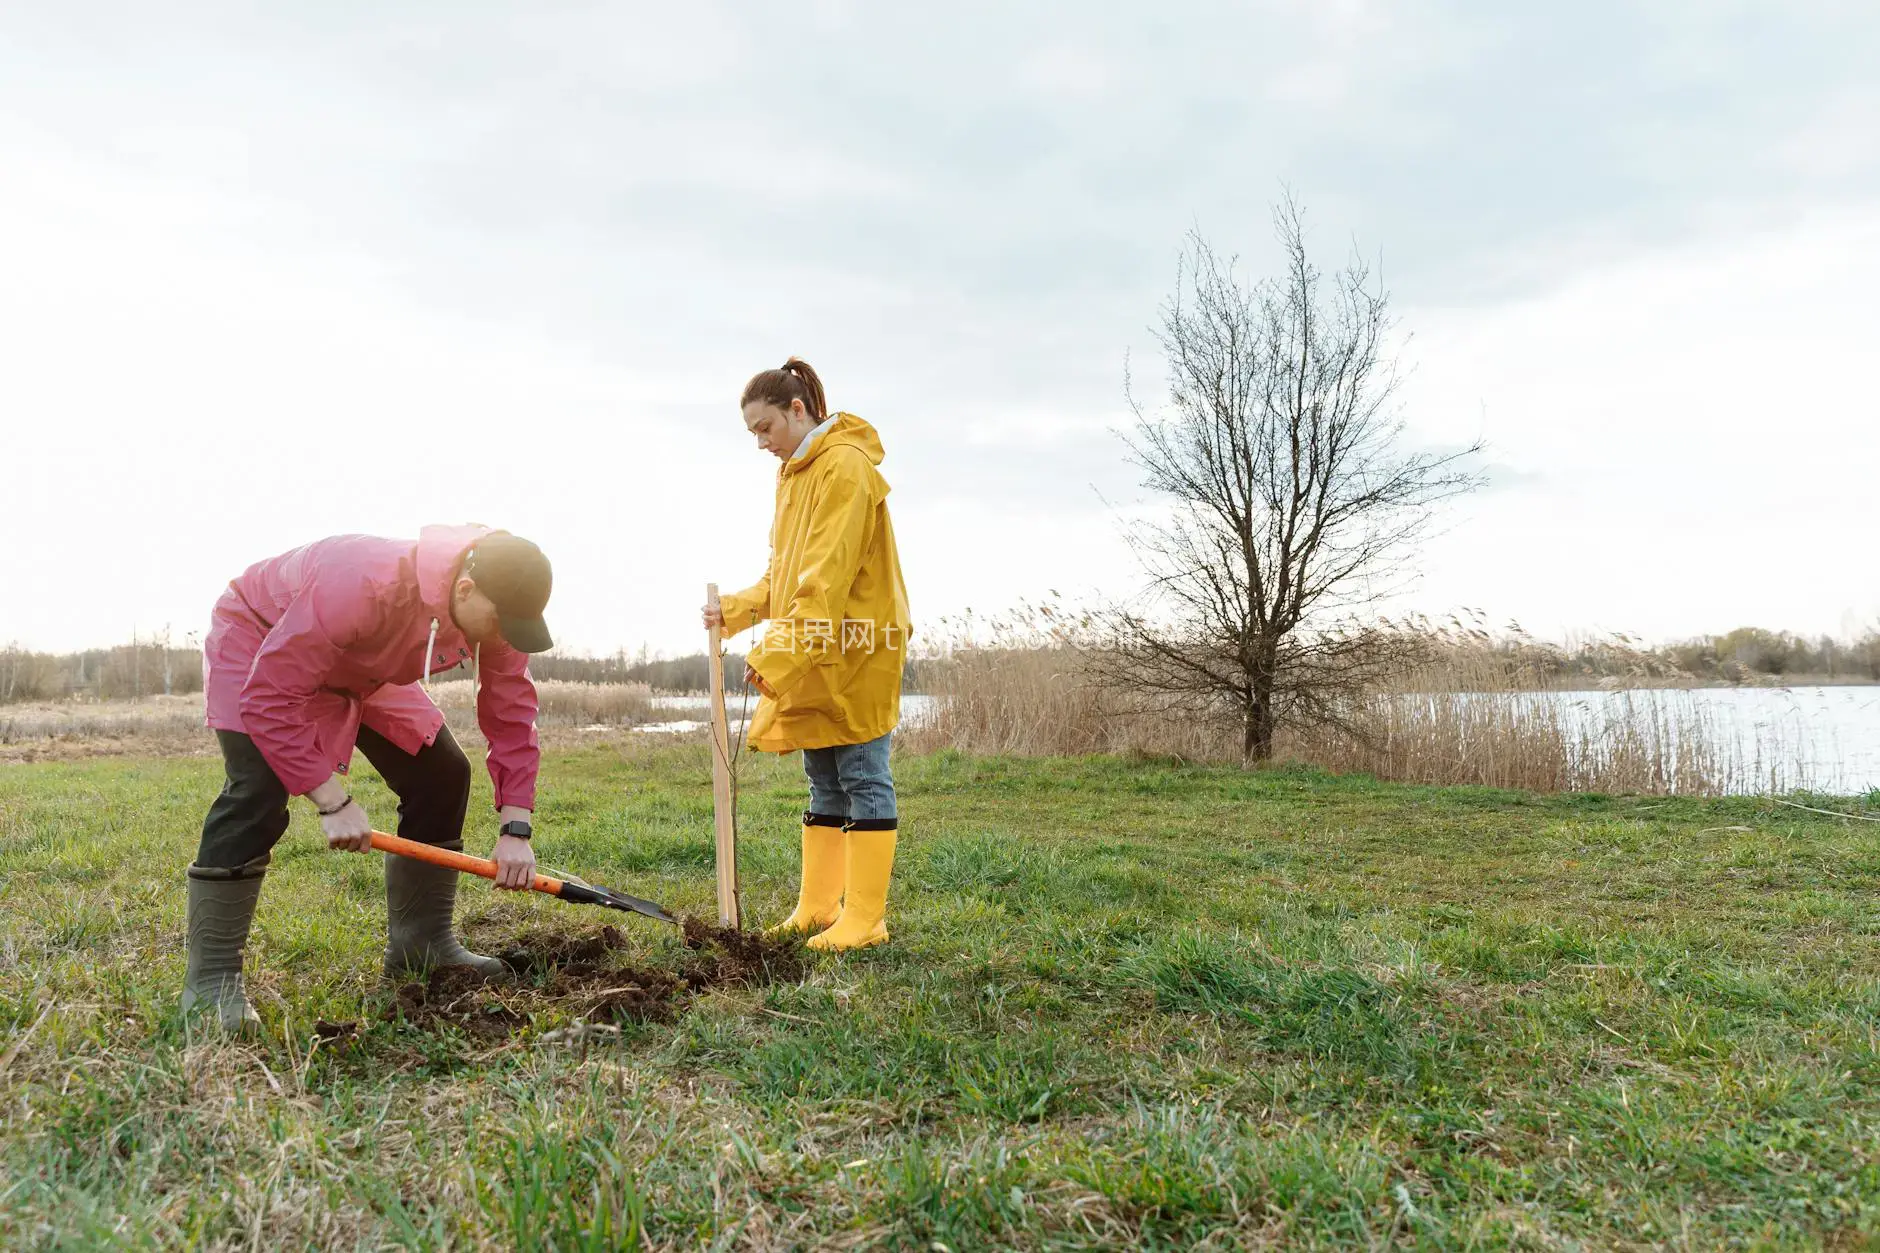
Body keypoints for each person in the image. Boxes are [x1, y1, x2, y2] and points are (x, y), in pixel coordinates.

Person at [183, 524, 554, 1029]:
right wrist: (333, 801)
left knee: (442, 773)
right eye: (500, 621)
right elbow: (270, 697)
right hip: (262, 642)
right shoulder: (362, 584)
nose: (504, 635)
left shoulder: (497, 609)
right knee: (258, 790)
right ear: (465, 589)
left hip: (361, 665)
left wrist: (516, 828)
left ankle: (421, 946)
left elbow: (511, 714)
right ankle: (212, 984)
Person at [704, 358, 912, 951]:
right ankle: (819, 907)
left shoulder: (844, 467)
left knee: (862, 773)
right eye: (752, 434)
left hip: (856, 643)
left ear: (798, 410)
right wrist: (738, 612)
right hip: (815, 645)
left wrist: (777, 655)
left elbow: (826, 579)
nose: (761, 444)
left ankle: (865, 918)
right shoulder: (795, 475)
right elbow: (785, 576)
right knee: (822, 775)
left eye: (764, 428)